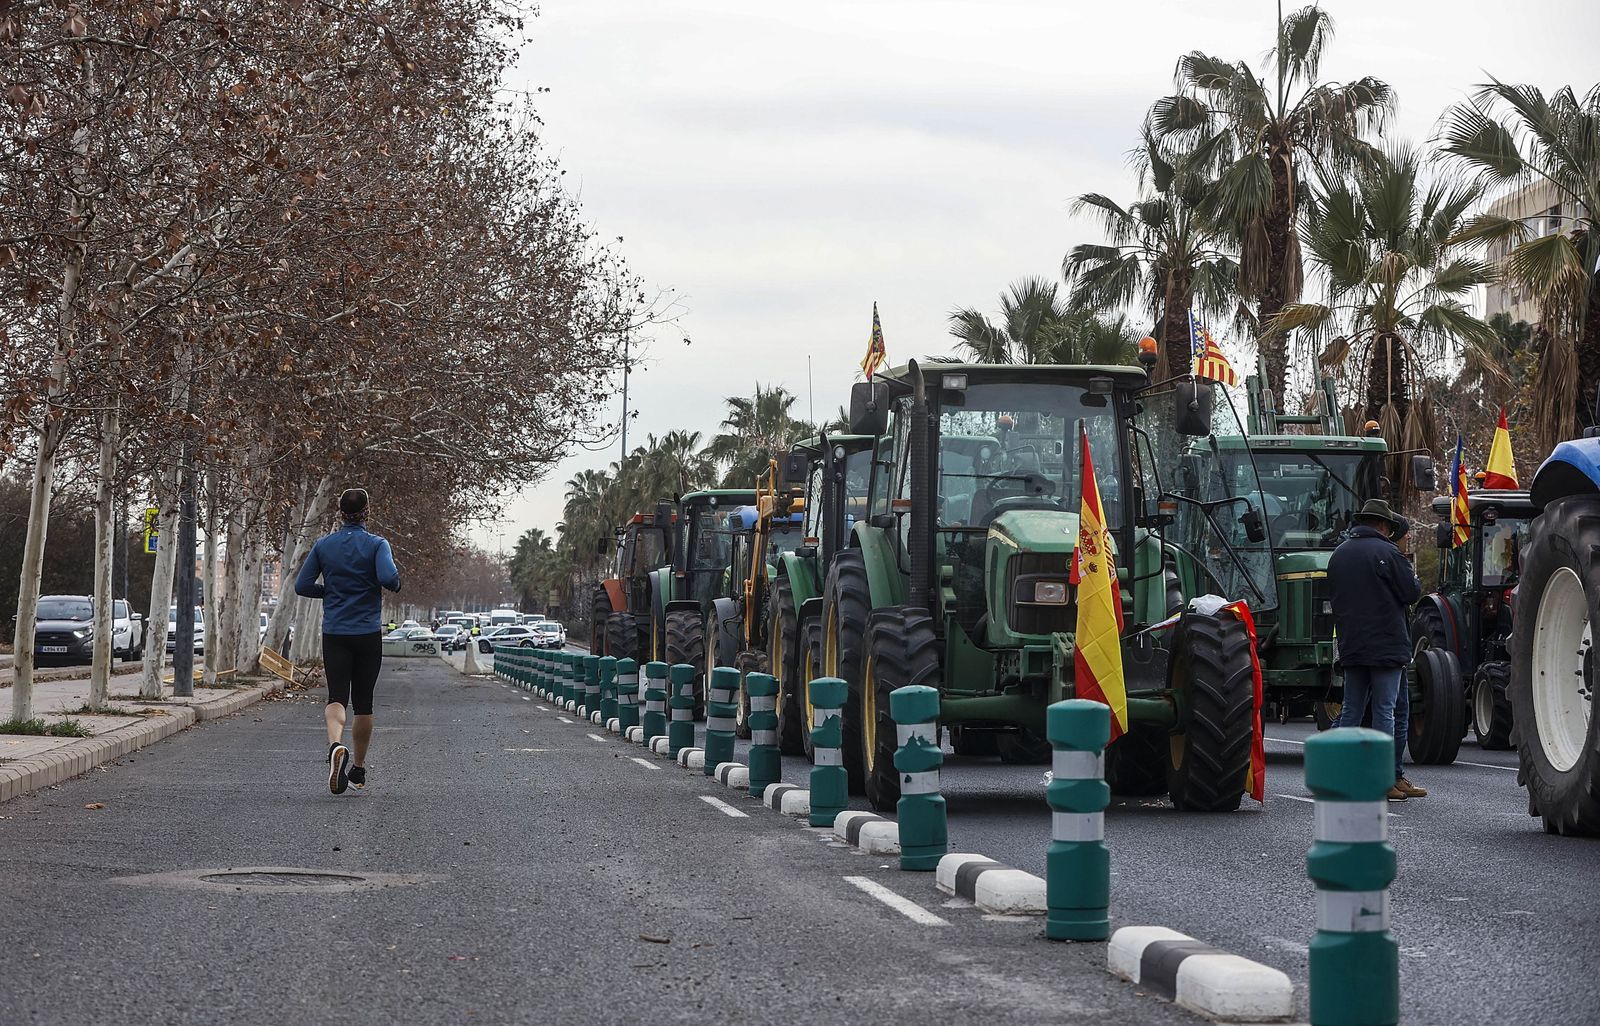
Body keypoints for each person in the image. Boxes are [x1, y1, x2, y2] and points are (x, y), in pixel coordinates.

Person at [295, 488, 402, 794]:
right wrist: (393, 582)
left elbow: (302, 586)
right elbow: (387, 577)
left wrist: (328, 592)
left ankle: (334, 747)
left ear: (339, 513)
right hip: (368, 633)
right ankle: (357, 770)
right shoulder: (377, 544)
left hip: (335, 633)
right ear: (367, 512)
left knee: (336, 697)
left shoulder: (323, 545)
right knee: (364, 702)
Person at [1328, 498, 1426, 801]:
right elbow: (1411, 593)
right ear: (1383, 525)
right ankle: (1386, 778)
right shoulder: (1389, 552)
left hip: (1353, 645)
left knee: (1352, 710)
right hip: (1387, 645)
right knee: (1391, 711)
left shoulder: (1339, 555)